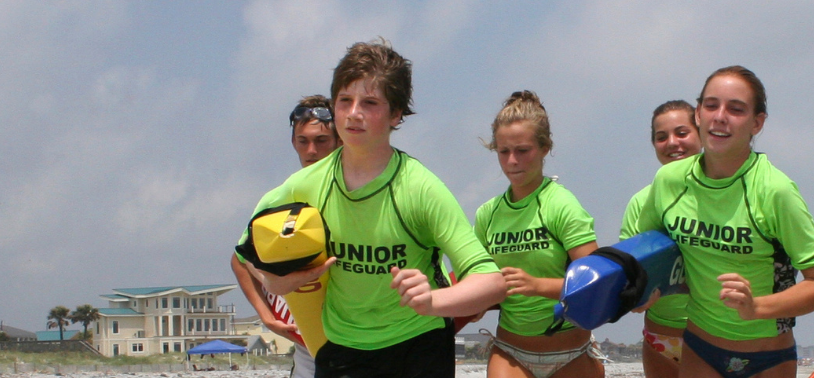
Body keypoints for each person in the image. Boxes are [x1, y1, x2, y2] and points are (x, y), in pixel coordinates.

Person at [239, 39, 506, 378]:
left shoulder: (419, 188)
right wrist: (273, 281)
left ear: (396, 114)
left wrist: (433, 301)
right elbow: (247, 249)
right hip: (341, 349)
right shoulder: (305, 185)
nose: (354, 113)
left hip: (418, 344)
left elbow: (491, 282)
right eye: (345, 101)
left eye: (370, 103)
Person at [619, 66, 814, 378]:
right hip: (700, 349)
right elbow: (650, 257)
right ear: (698, 114)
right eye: (711, 105)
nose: (720, 116)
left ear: (757, 123)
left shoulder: (775, 190)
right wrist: (642, 289)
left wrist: (757, 307)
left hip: (767, 356)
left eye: (736, 109)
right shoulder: (669, 180)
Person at [474, 91, 605, 378]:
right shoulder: (488, 214)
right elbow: (479, 283)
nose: (512, 161)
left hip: (572, 352)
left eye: (522, 150)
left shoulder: (561, 205)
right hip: (511, 351)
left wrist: (536, 285)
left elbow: (597, 284)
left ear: (545, 148)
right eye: (503, 151)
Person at [229, 94, 337, 378]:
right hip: (307, 340)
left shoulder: (358, 193)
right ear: (293, 143)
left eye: (321, 141)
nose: (311, 150)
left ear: (340, 141)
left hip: (360, 333)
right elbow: (240, 258)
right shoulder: (279, 198)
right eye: (303, 141)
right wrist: (266, 317)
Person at [624, 99, 701, 378]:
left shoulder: (726, 196)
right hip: (660, 337)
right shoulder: (640, 202)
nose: (672, 143)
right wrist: (634, 296)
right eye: (661, 137)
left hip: (715, 337)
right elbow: (629, 271)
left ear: (702, 133)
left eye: (682, 133)